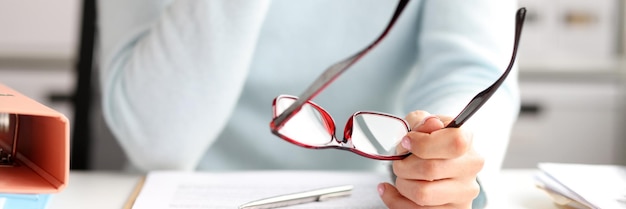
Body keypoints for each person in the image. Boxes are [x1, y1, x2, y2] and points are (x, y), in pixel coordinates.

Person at [96, 0, 520, 208]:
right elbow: (159, 139)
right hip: (182, 194)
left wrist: (443, 161)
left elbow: (471, 71)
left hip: (372, 193)